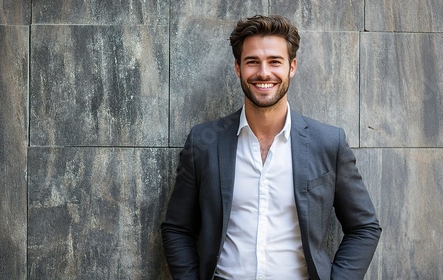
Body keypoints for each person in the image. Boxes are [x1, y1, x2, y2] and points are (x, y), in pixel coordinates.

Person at [161, 15, 381, 280]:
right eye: (252, 61)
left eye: (275, 61)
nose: (264, 73)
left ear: (292, 67)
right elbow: (177, 228)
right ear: (237, 68)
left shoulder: (328, 142)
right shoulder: (204, 142)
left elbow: (364, 226)